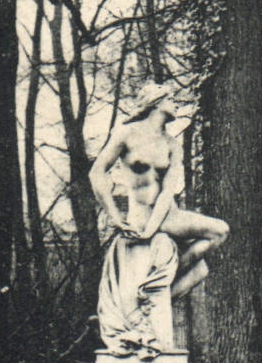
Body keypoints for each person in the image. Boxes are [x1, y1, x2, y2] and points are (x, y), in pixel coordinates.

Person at [89, 81, 229, 300]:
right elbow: (96, 173)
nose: (175, 103)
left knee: (204, 264)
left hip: (165, 215)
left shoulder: (172, 145)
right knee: (216, 237)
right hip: (141, 214)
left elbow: (166, 192)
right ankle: (145, 296)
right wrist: (114, 216)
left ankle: (147, 297)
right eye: (170, 99)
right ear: (156, 102)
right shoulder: (127, 134)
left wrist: (151, 230)